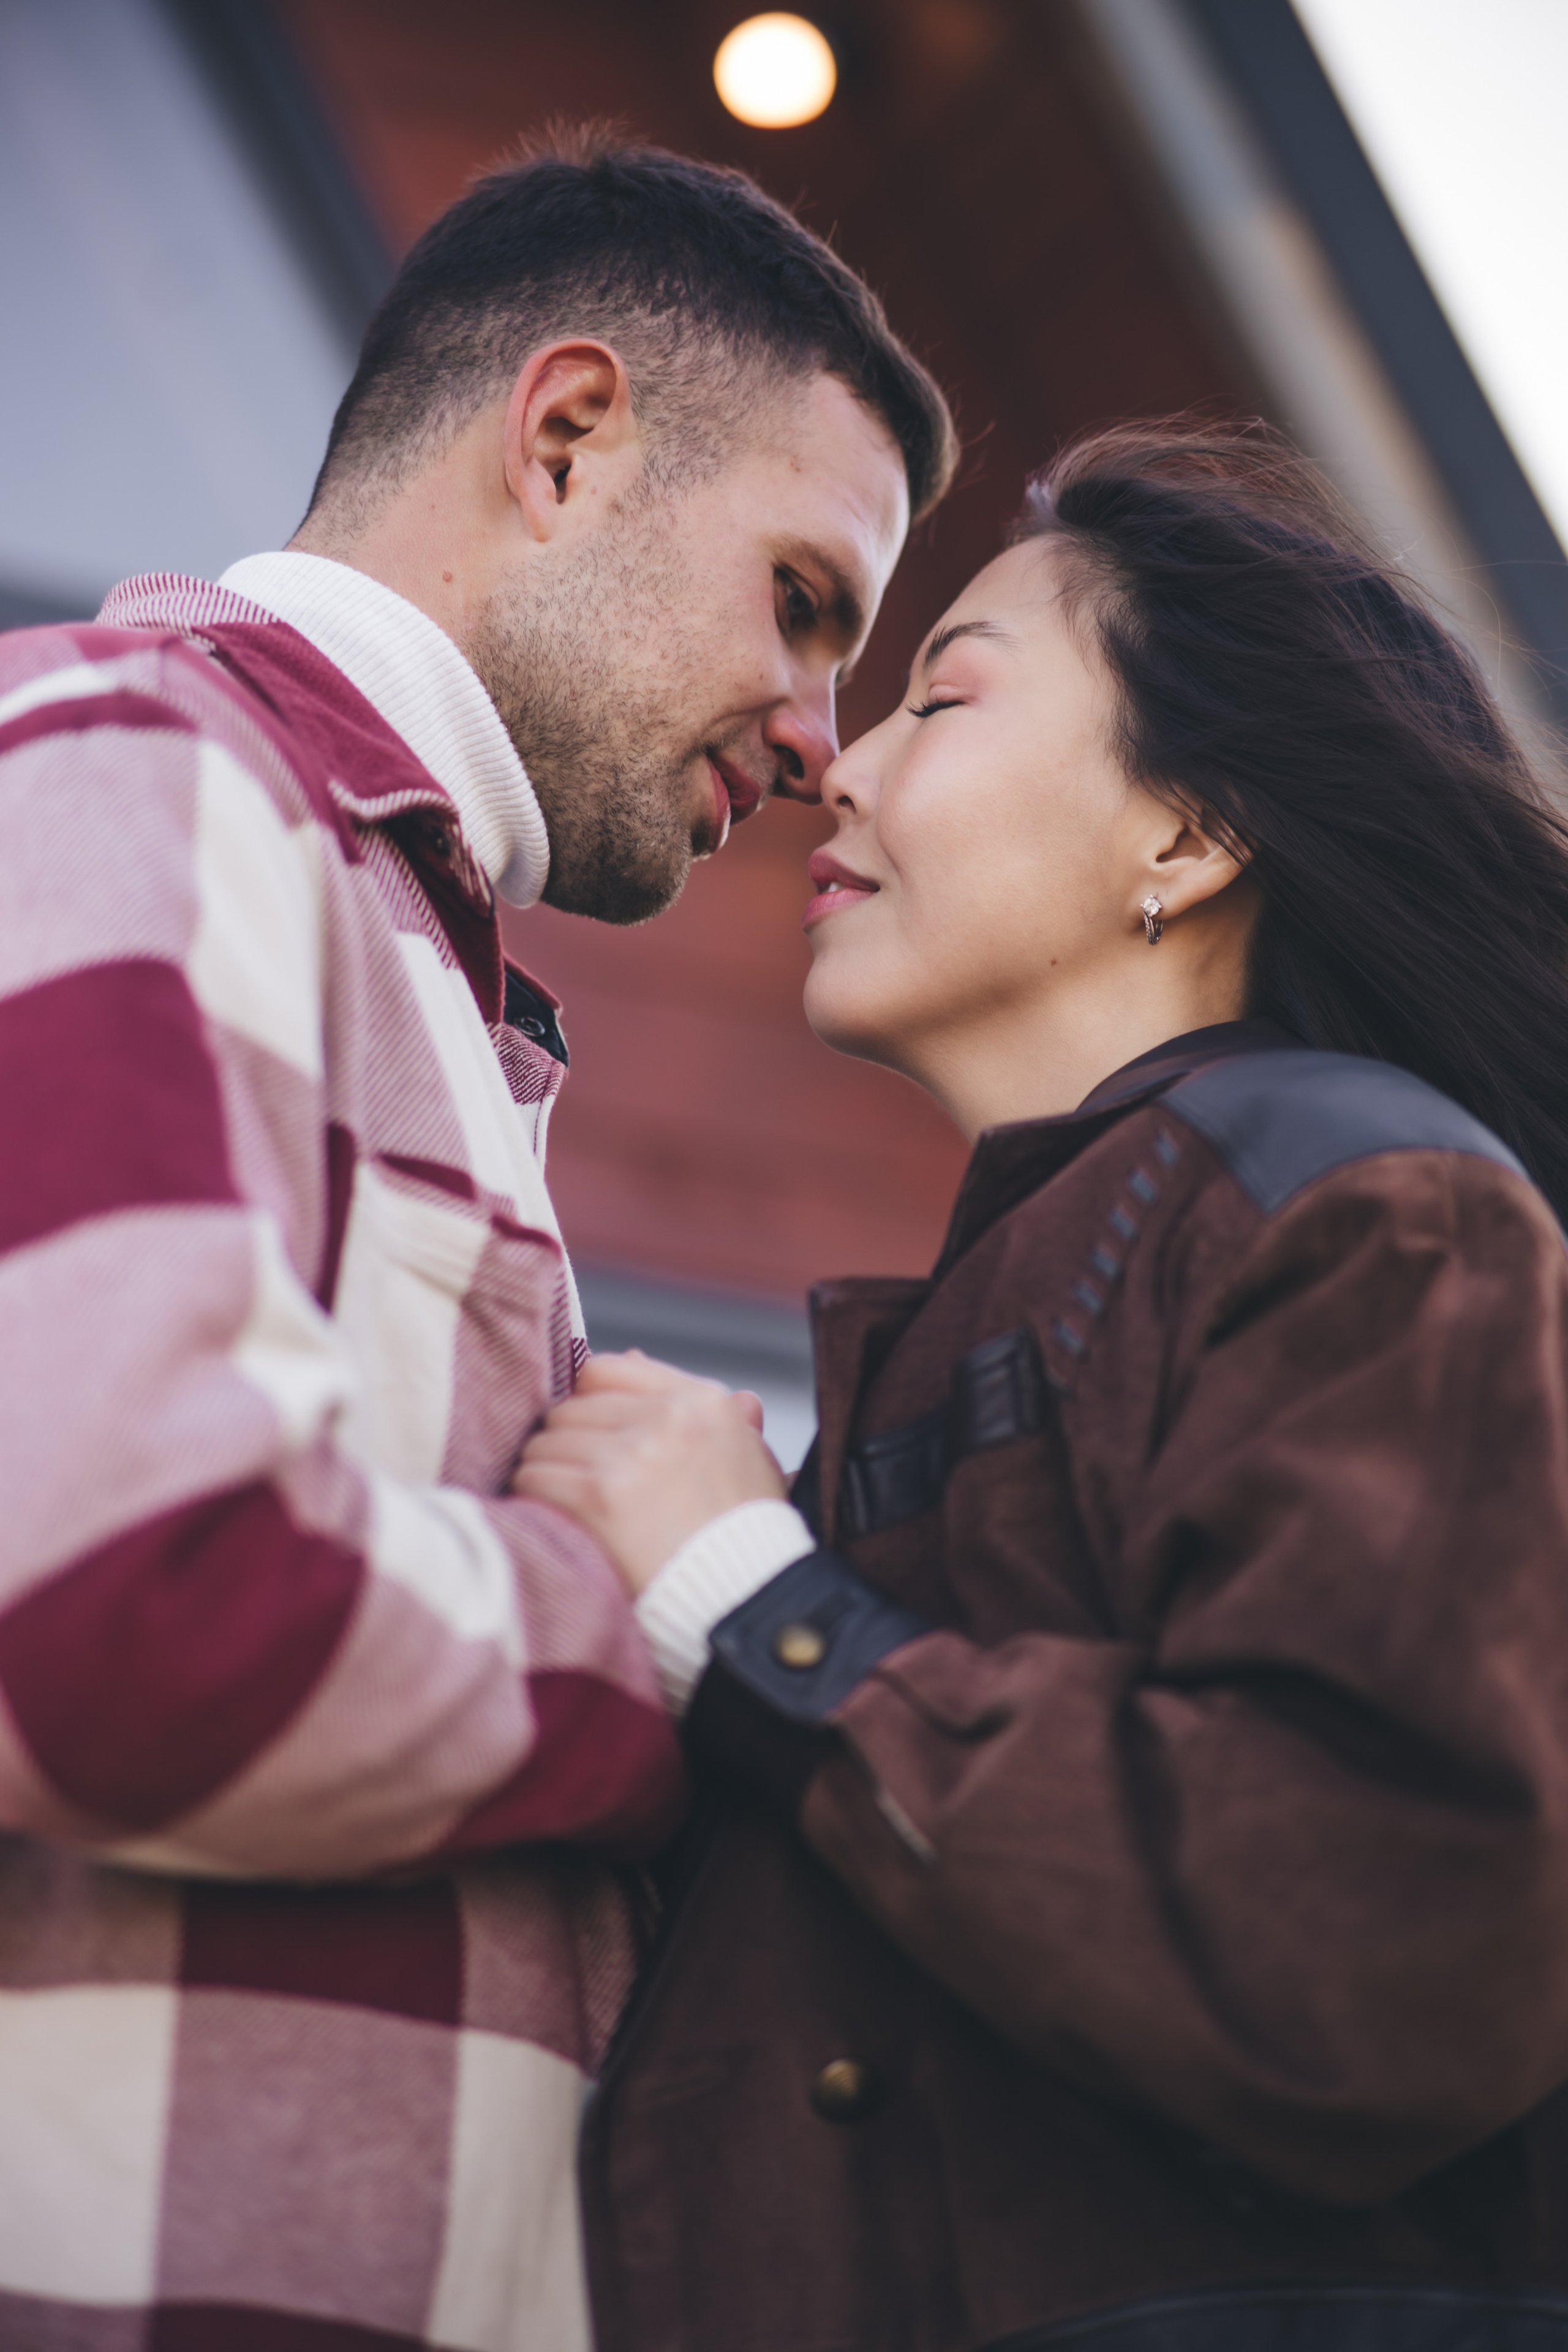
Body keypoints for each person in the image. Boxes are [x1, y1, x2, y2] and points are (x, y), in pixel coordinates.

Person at [0, 129, 954, 2346]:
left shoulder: (380, 932)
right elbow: (128, 1603)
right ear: (569, 439)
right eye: (803, 603)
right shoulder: (142, 768)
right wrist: (684, 1624)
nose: (823, 743)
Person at [518, 422, 1568, 2351]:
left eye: (944, 694)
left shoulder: (1374, 1210)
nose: (841, 751)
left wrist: (758, 1612)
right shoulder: (1060, 1264)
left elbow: (1371, 1934)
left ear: (1187, 832)